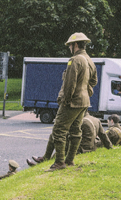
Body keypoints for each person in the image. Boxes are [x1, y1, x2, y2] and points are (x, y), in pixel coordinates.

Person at [41, 32, 98, 171]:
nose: (69, 48)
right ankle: (70, 160)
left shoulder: (75, 60)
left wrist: (66, 100)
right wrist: (84, 89)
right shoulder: (89, 60)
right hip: (84, 101)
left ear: (76, 45)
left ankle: (60, 162)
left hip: (73, 101)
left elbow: (69, 84)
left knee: (59, 130)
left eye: (70, 45)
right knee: (75, 131)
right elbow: (94, 81)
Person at [27, 113, 113, 166]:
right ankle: (44, 159)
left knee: (55, 137)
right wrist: (110, 148)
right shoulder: (96, 120)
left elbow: (70, 135)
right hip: (92, 147)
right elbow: (103, 136)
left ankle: (44, 159)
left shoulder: (80, 121)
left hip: (81, 149)